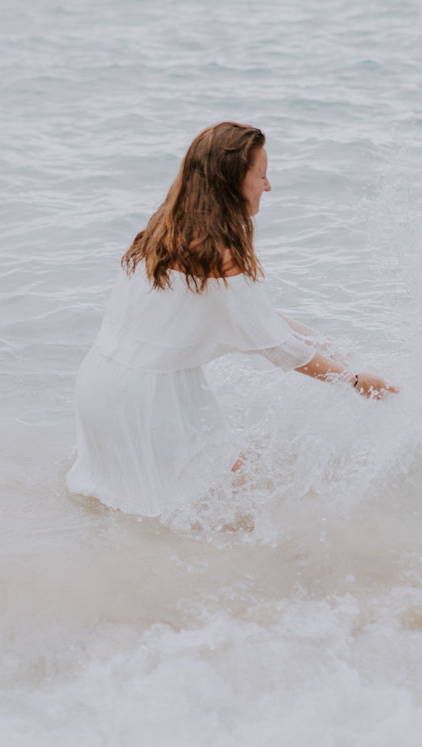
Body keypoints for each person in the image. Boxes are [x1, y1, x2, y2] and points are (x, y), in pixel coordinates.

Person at [69, 122, 397, 517]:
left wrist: (325, 343)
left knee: (139, 508)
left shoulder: (161, 230)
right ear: (231, 182)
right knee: (220, 502)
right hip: (152, 398)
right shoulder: (221, 254)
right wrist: (355, 381)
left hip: (101, 384)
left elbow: (252, 314)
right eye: (261, 175)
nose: (269, 186)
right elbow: (276, 347)